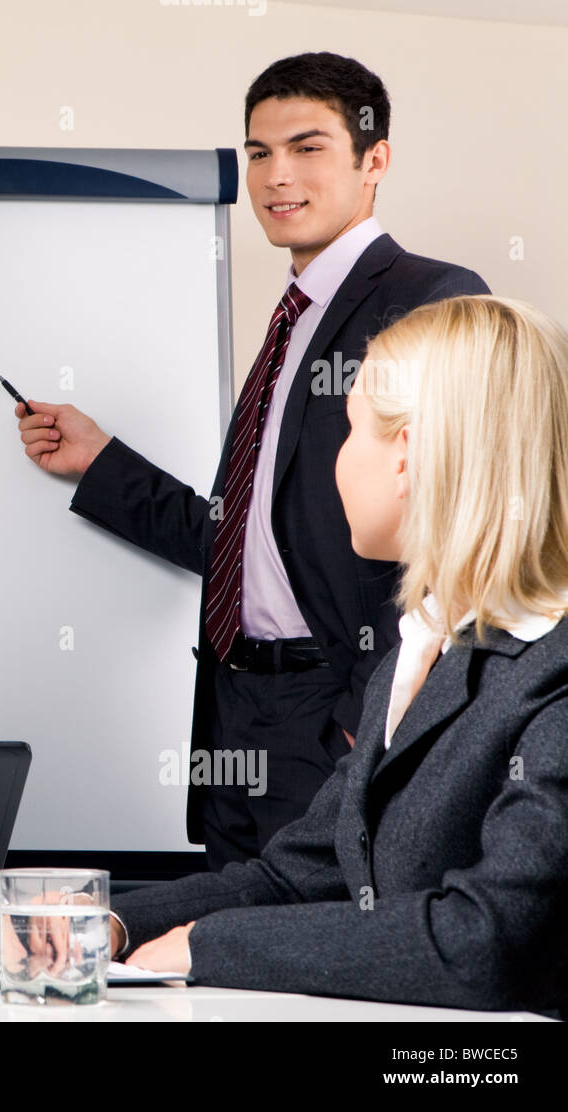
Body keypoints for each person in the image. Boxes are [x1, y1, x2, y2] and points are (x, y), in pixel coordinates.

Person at [14, 52, 490, 869]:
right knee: (223, 958)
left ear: (374, 160)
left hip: (336, 707)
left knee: (313, 958)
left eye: (307, 148)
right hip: (236, 709)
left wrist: (365, 712)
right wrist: (102, 462)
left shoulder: (429, 299)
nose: (277, 176)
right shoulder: (291, 317)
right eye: (259, 152)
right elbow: (248, 541)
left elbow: (458, 524)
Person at [93, 295, 568, 1013]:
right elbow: (298, 875)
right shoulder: (421, 651)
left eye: (350, 433)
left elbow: (485, 940)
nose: (336, 465)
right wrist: (115, 921)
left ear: (407, 454)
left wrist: (207, 949)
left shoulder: (552, 676)